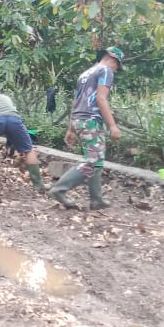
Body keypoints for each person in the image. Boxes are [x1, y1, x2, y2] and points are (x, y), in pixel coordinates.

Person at [47, 47, 124, 210]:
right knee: (92, 160)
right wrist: (112, 125)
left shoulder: (85, 74)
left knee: (96, 160)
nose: (116, 69)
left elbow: (75, 101)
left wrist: (71, 128)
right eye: (117, 65)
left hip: (79, 119)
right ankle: (59, 189)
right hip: (90, 120)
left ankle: (96, 200)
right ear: (112, 59)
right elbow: (101, 99)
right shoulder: (106, 71)